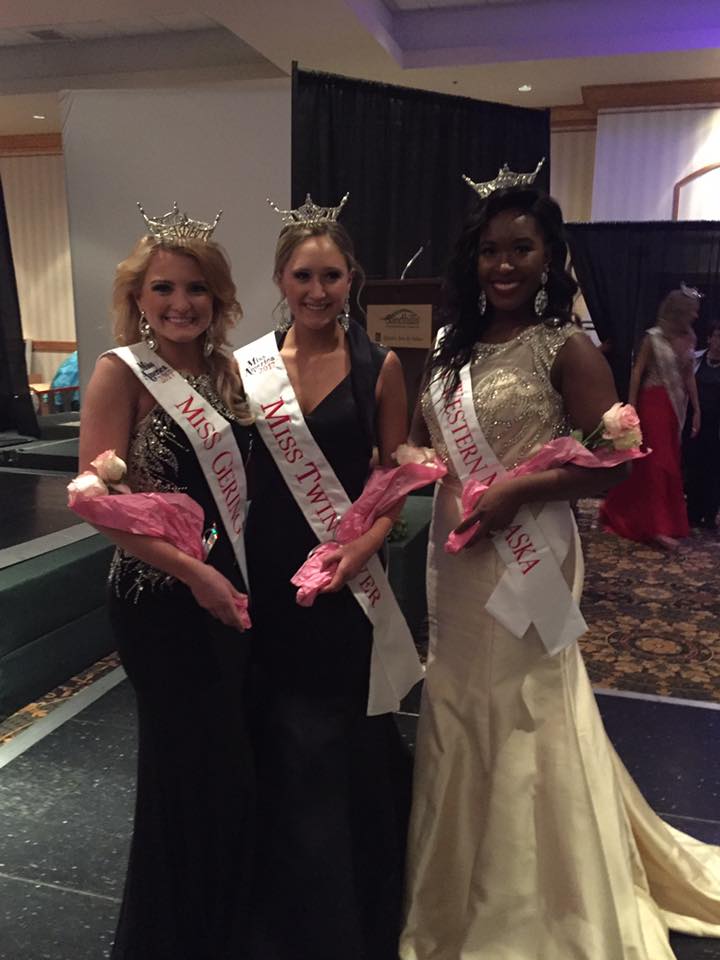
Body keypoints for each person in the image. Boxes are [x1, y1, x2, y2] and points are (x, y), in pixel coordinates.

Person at [400, 178, 720, 959]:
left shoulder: (566, 346)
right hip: (457, 554)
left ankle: (529, 903)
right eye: (490, 250)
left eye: (521, 248)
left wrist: (520, 489)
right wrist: (415, 463)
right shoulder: (450, 347)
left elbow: (616, 464)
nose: (504, 264)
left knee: (526, 704)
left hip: (530, 550)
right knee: (458, 699)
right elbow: (421, 438)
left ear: (550, 258)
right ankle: (452, 885)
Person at [239, 197, 416, 960]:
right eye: (303, 276)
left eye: (332, 276)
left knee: (339, 737)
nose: (317, 291)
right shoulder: (247, 368)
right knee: (274, 728)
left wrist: (360, 550)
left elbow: (393, 484)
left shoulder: (381, 367)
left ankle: (347, 904)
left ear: (353, 280)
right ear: (282, 279)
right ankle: (276, 899)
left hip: (347, 577)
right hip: (267, 571)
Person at [78, 205, 255, 960]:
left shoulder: (227, 372)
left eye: (196, 289)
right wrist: (195, 575)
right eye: (164, 289)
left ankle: (221, 924)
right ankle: (165, 938)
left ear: (217, 297)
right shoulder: (119, 373)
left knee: (225, 762)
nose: (181, 304)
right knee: (179, 765)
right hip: (158, 598)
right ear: (138, 297)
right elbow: (100, 508)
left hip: (227, 585)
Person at [600, 287, 701, 548]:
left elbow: (689, 376)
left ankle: (643, 515)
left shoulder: (690, 337)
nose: (696, 316)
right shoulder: (653, 338)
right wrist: (632, 406)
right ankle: (656, 527)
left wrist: (697, 410)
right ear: (680, 311)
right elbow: (637, 372)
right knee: (656, 461)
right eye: (693, 311)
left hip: (675, 406)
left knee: (669, 461)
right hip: (652, 402)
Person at [685, 324, 720, 530]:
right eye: (718, 336)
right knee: (693, 467)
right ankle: (693, 512)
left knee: (713, 470)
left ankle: (710, 514)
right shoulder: (695, 359)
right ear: (709, 338)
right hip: (694, 423)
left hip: (716, 428)